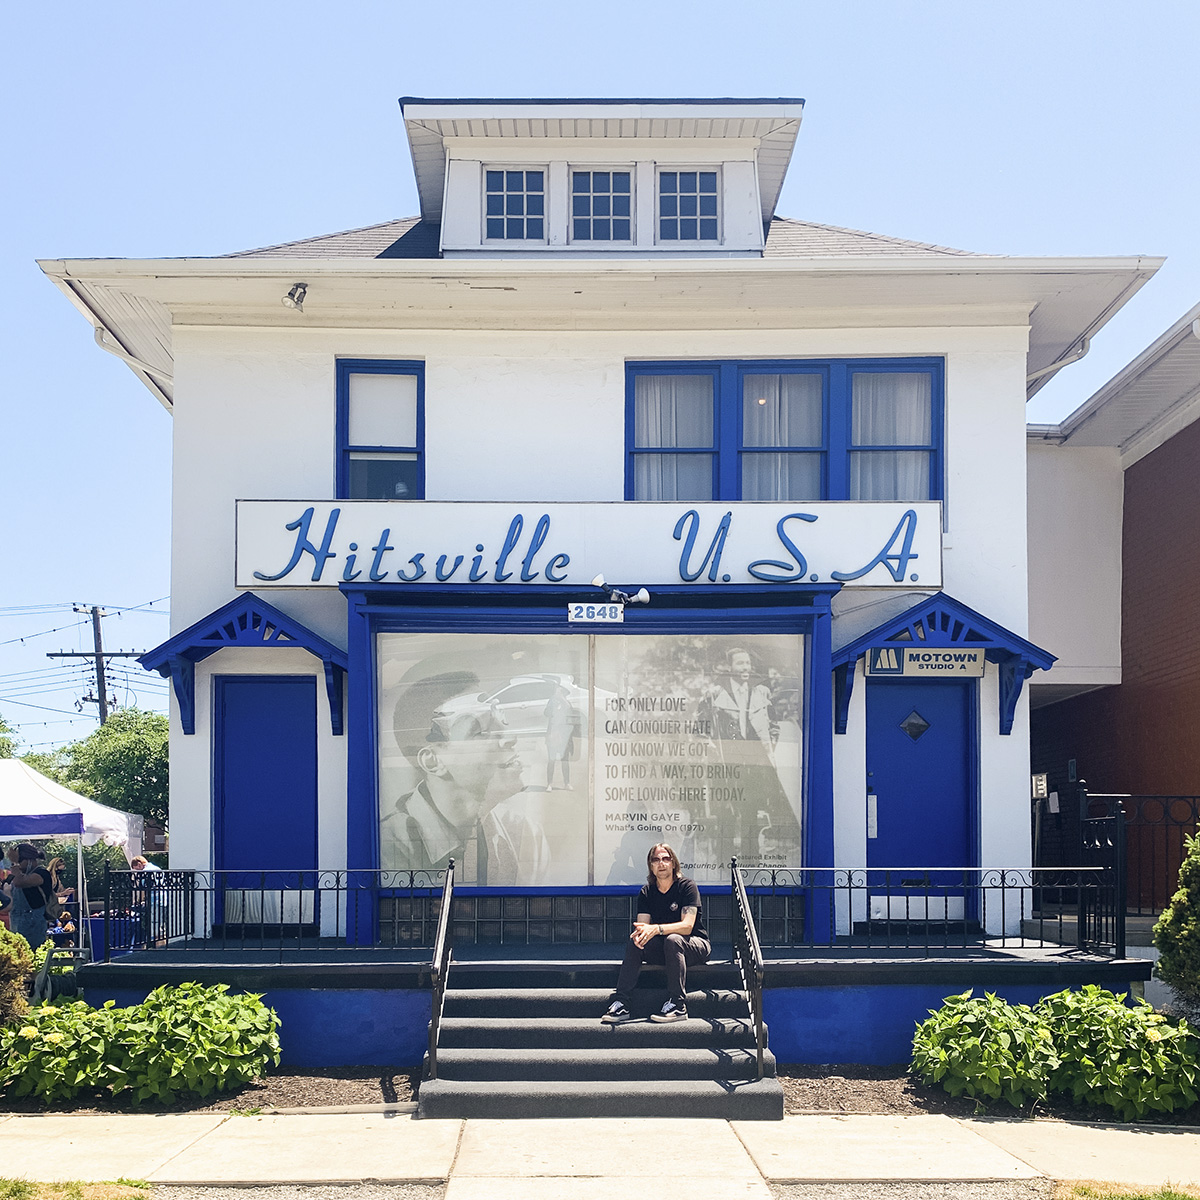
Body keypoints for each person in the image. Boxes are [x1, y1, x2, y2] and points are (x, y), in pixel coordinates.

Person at [382, 671, 550, 885]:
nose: (511, 738)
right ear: (433, 761)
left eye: (502, 720)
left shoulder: (528, 837)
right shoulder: (389, 847)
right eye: (480, 731)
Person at [601, 842, 710, 1024]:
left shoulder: (687, 886)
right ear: (651, 866)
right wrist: (641, 934)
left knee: (674, 939)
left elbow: (687, 926)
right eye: (656, 860)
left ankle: (678, 1004)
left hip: (694, 946)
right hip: (666, 948)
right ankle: (622, 1002)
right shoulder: (647, 892)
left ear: (673, 863)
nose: (661, 863)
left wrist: (657, 929)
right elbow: (643, 927)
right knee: (637, 941)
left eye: (666, 859)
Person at [6, 843, 53, 949]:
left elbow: (20, 882)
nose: (18, 866)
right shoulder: (18, 875)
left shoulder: (42, 873)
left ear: (29, 859)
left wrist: (14, 862)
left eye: (20, 862)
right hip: (16, 922)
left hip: (34, 924)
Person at [543, 683, 575, 791]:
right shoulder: (551, 702)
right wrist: (553, 702)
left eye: (560, 692)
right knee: (551, 759)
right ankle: (549, 783)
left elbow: (570, 711)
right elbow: (546, 713)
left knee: (565, 760)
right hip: (552, 735)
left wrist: (562, 699)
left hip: (564, 736)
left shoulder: (566, 704)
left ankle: (567, 783)